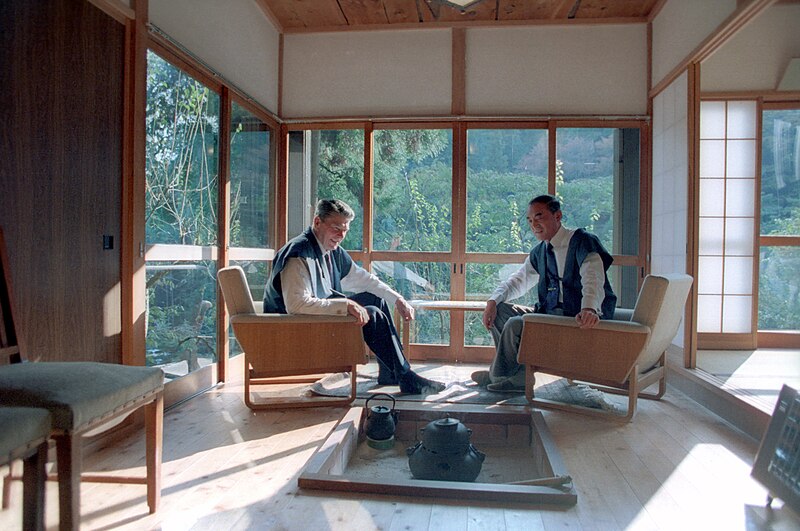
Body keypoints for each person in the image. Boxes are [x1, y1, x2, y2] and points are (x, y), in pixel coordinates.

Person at [263, 199, 445, 395]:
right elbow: (296, 305)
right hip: (295, 333)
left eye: (345, 230)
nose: (341, 236)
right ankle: (404, 375)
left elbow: (366, 280)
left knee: (376, 299)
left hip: (314, 322)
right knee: (372, 313)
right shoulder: (298, 255)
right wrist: (345, 305)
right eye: (336, 228)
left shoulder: (331, 251)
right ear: (317, 222)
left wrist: (398, 299)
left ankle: (392, 372)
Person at [474, 194, 617, 393]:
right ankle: (514, 375)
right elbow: (518, 280)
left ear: (557, 216)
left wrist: (589, 308)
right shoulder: (541, 250)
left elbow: (593, 278)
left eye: (539, 217)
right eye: (530, 220)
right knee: (501, 311)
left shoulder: (583, 241)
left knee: (516, 324)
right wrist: (492, 301)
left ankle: (499, 375)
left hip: (576, 318)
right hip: (550, 316)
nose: (534, 225)